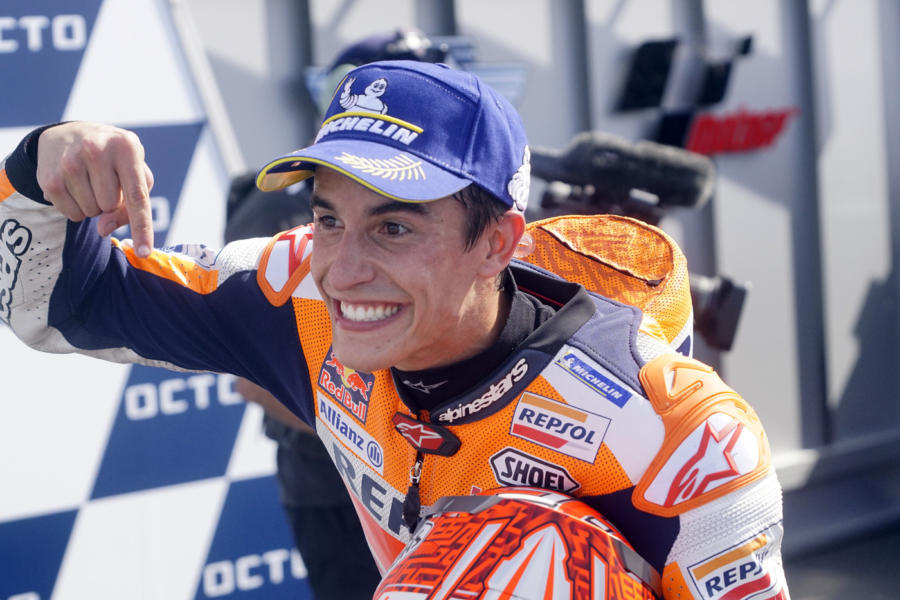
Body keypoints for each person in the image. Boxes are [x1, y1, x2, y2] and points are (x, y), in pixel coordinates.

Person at [0, 60, 789, 599]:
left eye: (394, 228)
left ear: (498, 244)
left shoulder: (683, 439)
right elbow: (60, 305)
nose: (342, 272)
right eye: (328, 219)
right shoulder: (297, 295)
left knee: (529, 555)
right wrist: (38, 164)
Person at [224, 174, 381, 599]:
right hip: (331, 495)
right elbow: (253, 382)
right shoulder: (272, 212)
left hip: (425, 492)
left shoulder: (403, 192)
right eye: (328, 223)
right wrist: (374, 443)